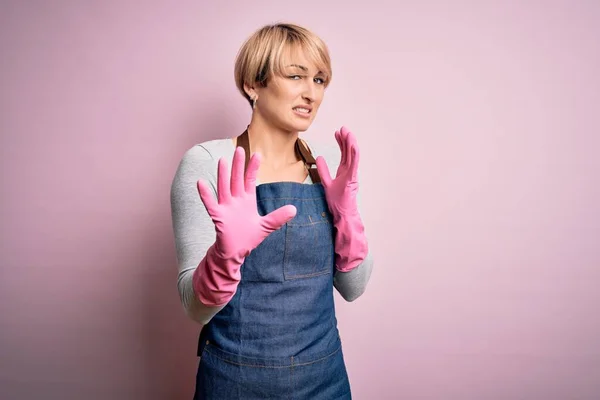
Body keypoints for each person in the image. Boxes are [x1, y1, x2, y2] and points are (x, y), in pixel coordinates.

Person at [170, 22, 374, 400]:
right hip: (233, 381)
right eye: (296, 76)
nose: (311, 93)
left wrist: (348, 217)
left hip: (324, 378)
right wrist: (223, 257)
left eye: (319, 80)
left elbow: (353, 288)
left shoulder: (327, 165)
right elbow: (195, 309)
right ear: (253, 84)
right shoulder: (208, 162)